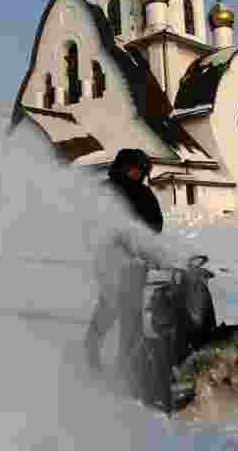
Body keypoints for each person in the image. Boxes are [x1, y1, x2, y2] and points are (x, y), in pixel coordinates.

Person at [84, 148, 198, 389]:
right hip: (110, 260)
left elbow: (156, 223)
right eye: (133, 168)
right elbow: (92, 222)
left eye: (141, 169)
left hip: (137, 263)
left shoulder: (144, 193)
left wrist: (142, 237)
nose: (136, 173)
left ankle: (125, 367)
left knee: (130, 316)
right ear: (122, 167)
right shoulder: (106, 190)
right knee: (113, 308)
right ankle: (93, 351)